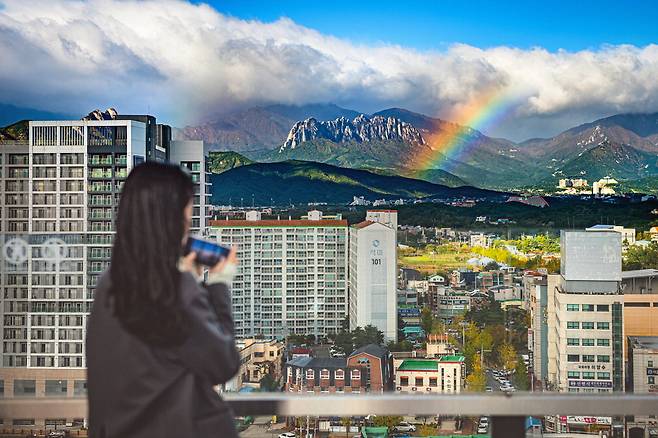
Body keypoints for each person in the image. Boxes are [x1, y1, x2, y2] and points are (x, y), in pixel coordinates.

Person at [87, 162, 240, 437]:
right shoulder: (175, 286)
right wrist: (218, 284)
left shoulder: (107, 284)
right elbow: (224, 363)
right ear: (175, 217)